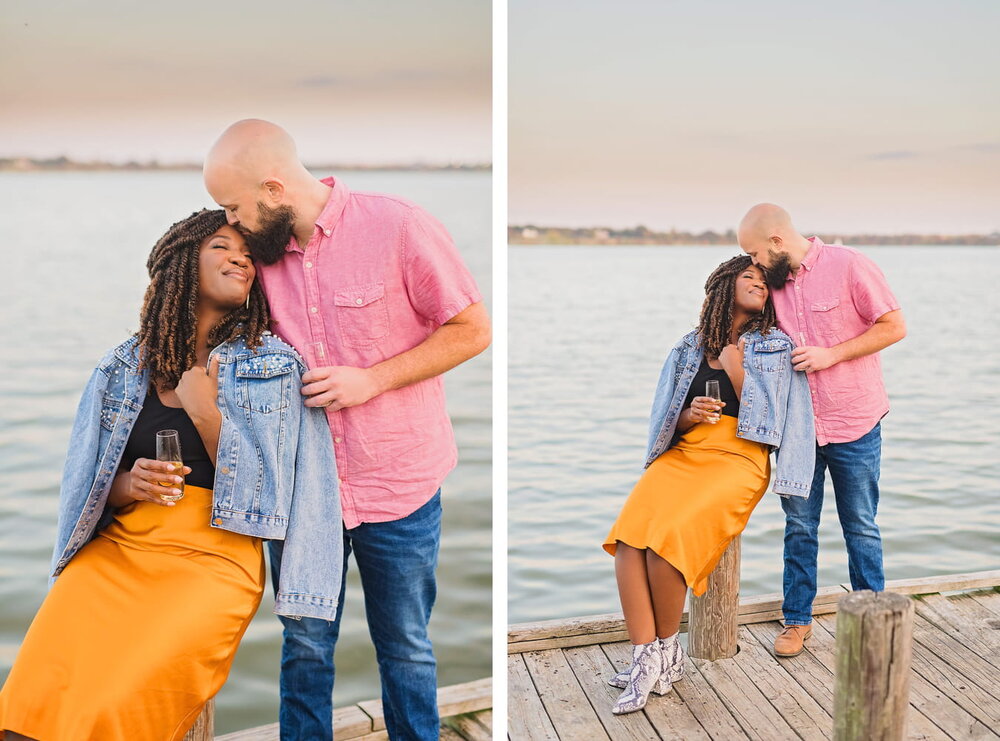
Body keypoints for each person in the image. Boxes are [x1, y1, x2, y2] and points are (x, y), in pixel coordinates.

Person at [0, 209, 341, 741]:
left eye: (249, 256)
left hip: (215, 560)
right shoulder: (121, 366)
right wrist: (127, 484)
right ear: (182, 263)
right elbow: (83, 489)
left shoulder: (273, 365)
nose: (240, 261)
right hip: (118, 552)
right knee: (30, 696)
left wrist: (207, 414)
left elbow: (274, 500)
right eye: (221, 248)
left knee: (116, 707)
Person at [202, 119, 491, 741]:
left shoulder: (400, 226)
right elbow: (192, 299)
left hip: (400, 485)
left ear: (274, 188)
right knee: (304, 648)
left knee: (407, 647)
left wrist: (373, 379)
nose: (231, 221)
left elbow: (473, 330)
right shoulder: (257, 254)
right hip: (302, 494)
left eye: (234, 206)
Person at [602, 255, 815, 715]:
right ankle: (650, 657)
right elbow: (664, 422)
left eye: (764, 281)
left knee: (667, 546)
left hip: (739, 458)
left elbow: (774, 426)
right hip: (685, 452)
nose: (760, 285)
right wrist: (688, 414)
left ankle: (665, 651)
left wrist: (737, 369)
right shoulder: (687, 347)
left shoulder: (776, 345)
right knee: (627, 542)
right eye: (749, 277)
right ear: (723, 287)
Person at [738, 203, 906, 658]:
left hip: (854, 421)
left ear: (776, 240)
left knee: (861, 527)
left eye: (754, 253)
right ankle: (797, 621)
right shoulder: (772, 284)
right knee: (798, 526)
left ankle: (876, 621)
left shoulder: (849, 265)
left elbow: (894, 327)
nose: (752, 263)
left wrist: (832, 354)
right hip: (797, 431)